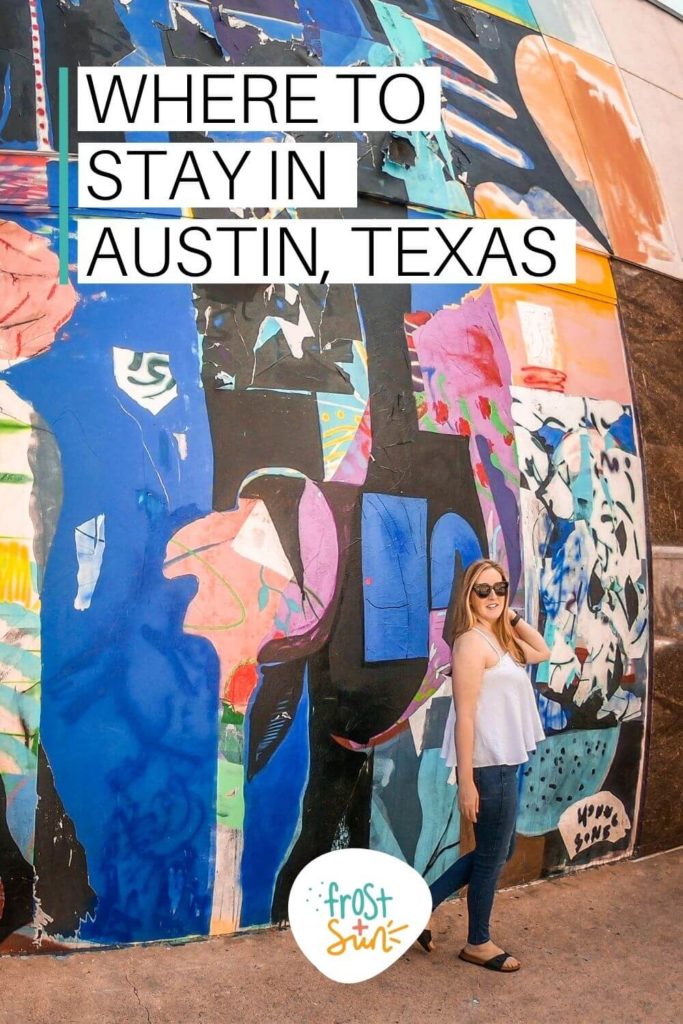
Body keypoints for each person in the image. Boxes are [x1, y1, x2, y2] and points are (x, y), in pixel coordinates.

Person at [418, 558, 550, 972]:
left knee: (500, 848)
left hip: (506, 762)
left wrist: (508, 614)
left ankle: (419, 907)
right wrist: (467, 782)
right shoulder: (471, 643)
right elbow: (466, 714)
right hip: (488, 766)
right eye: (483, 590)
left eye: (499, 587)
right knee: (493, 854)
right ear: (468, 597)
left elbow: (542, 650)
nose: (492, 596)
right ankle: (478, 942)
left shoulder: (500, 638)